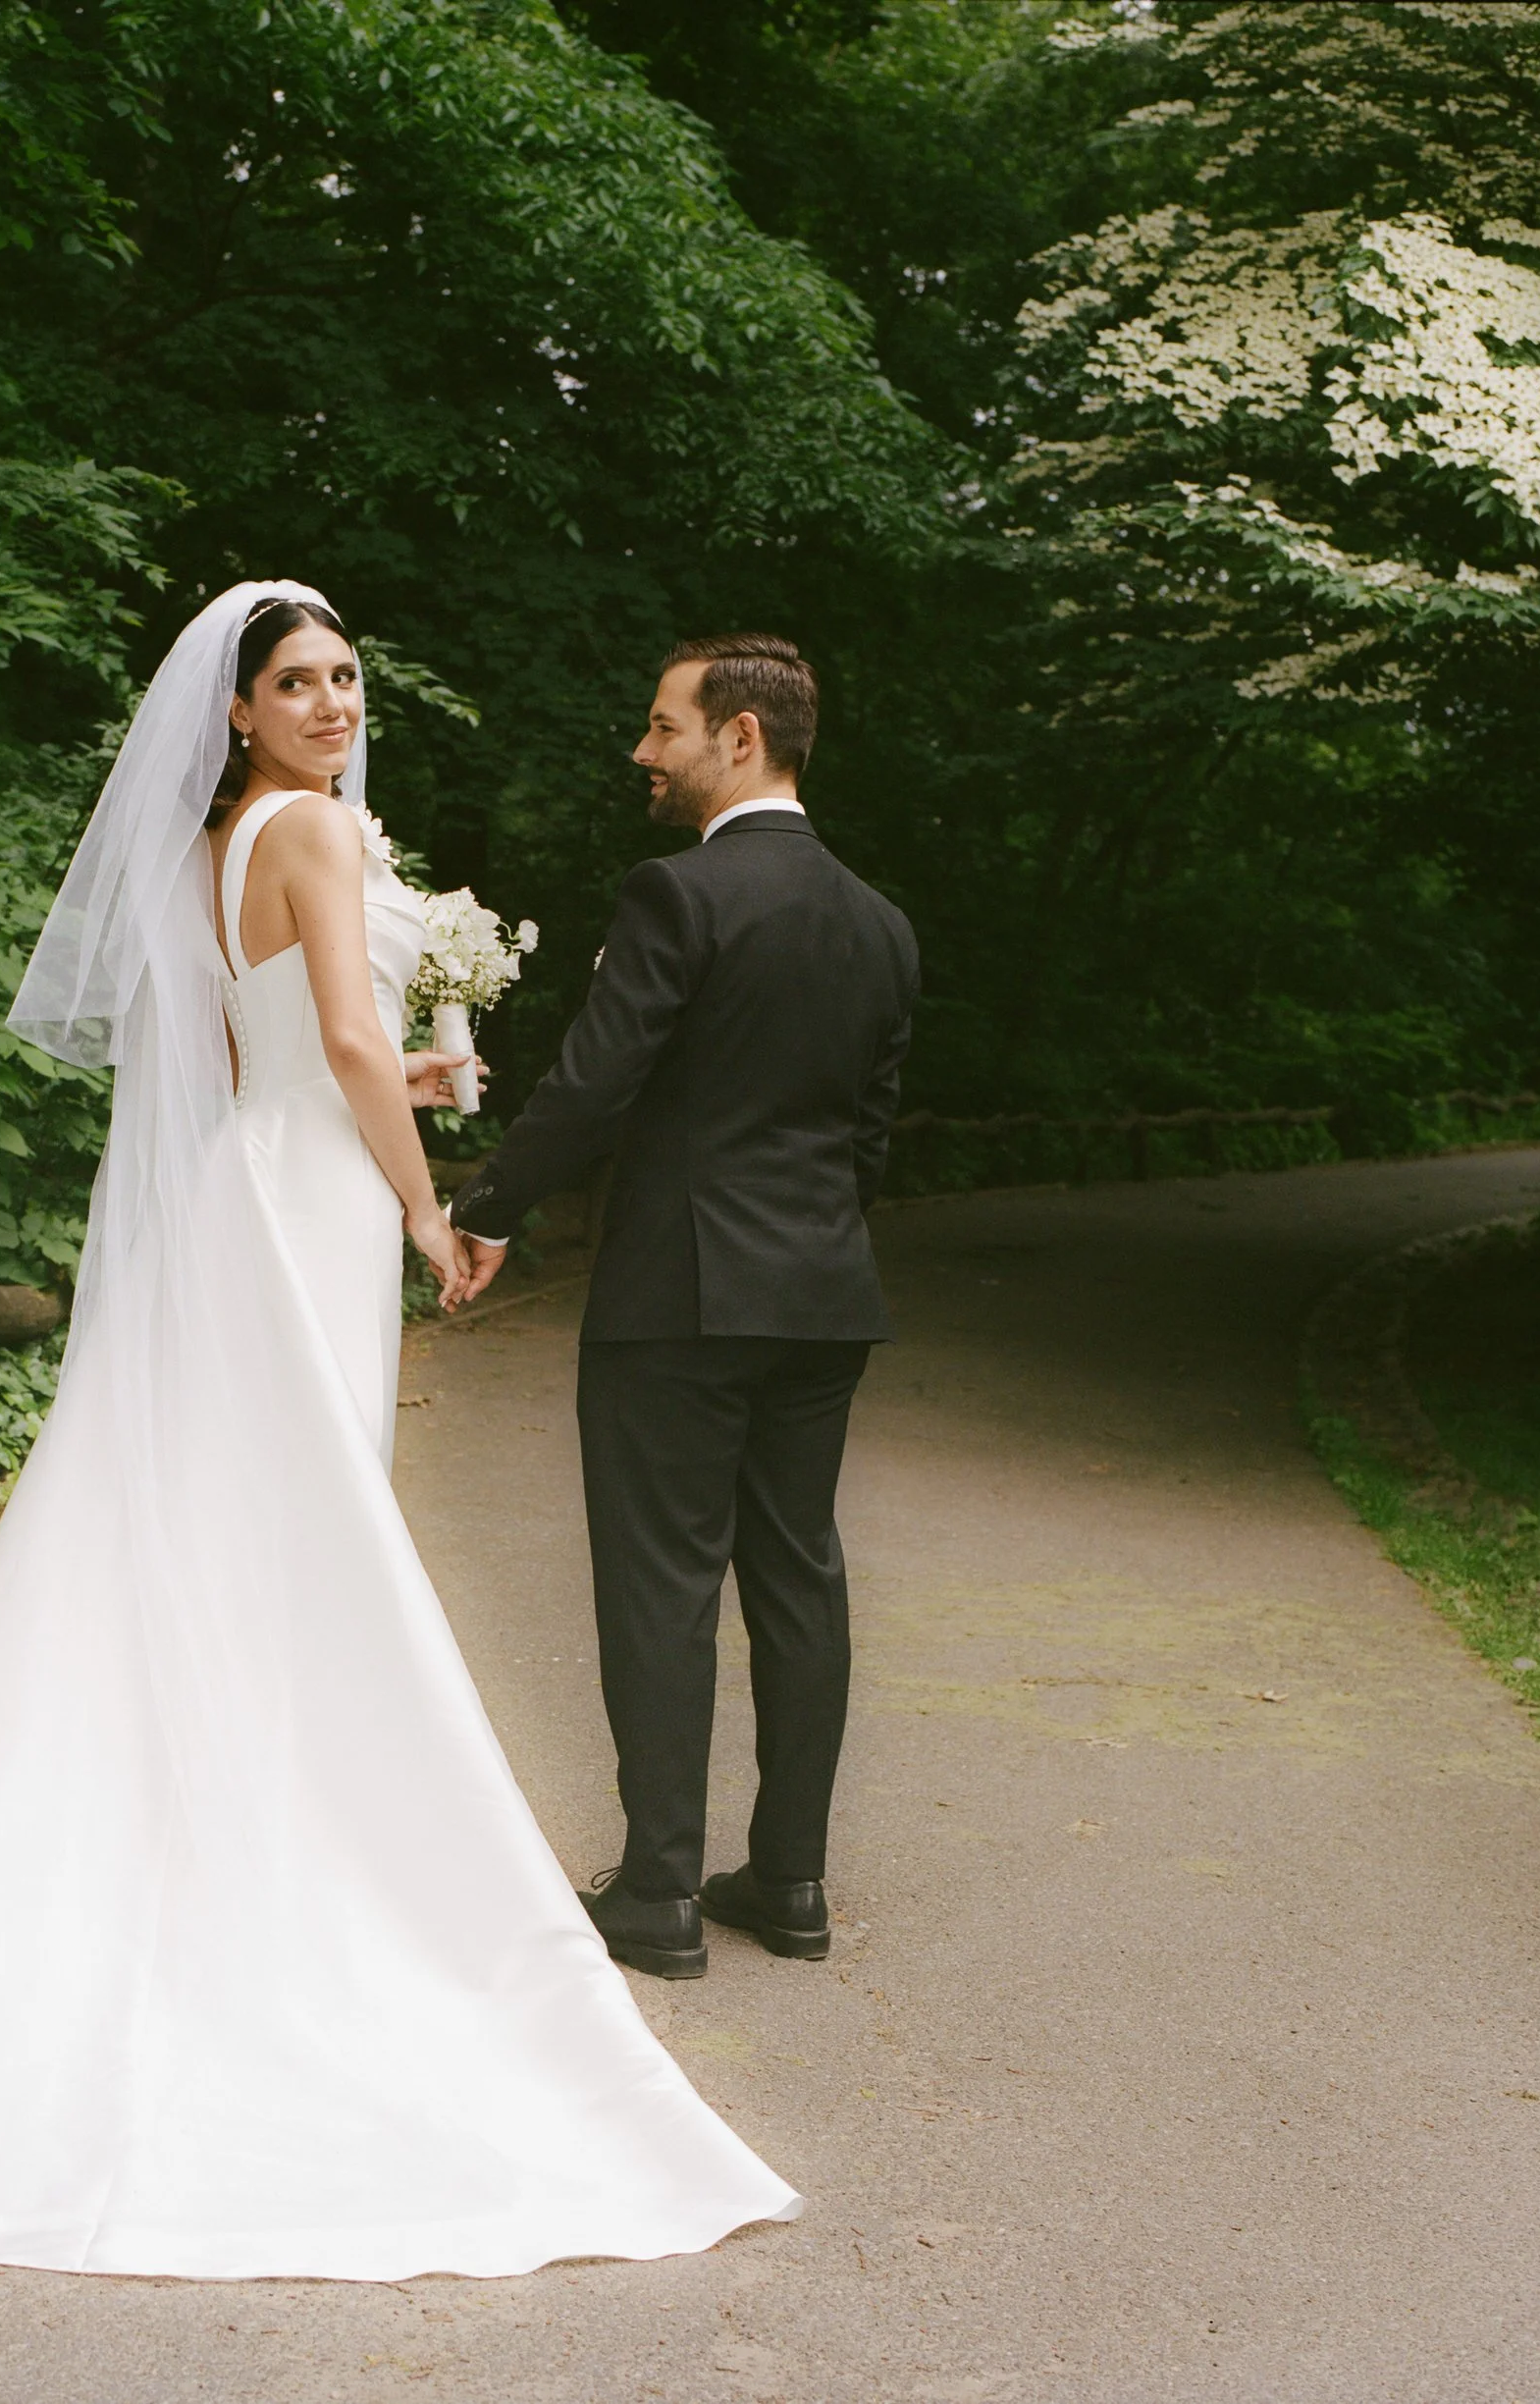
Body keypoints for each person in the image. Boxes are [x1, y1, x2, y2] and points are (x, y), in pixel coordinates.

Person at [0, 583, 800, 2278]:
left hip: (243, 1189)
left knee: (225, 1508)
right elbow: (348, 1037)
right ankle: (276, 1848)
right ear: (235, 707)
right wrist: (432, 1210)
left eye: (350, 676)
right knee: (306, 1522)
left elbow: (255, 1051)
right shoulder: (316, 834)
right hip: (310, 1215)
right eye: (299, 682)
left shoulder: (221, 845)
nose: (336, 702)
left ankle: (188, 1805)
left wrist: (395, 1091)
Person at [450, 634, 919, 1980]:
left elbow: (594, 1086)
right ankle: (791, 1881)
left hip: (680, 1295)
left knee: (662, 1581)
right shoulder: (882, 924)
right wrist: (811, 1241)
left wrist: (486, 1208)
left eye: (664, 729)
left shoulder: (678, 896)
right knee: (798, 1573)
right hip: (823, 1292)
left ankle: (657, 1895)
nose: (643, 754)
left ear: (742, 740)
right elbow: (868, 1137)